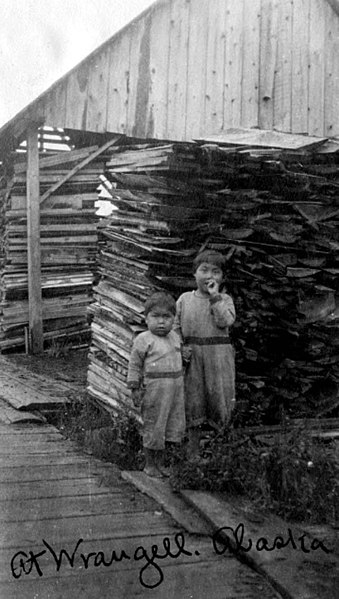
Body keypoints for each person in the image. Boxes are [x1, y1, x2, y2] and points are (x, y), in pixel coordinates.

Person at [174, 250, 236, 459]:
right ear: (194, 274)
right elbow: (175, 328)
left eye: (216, 272)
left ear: (222, 278)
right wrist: (180, 347)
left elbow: (225, 321)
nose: (209, 276)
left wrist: (215, 297)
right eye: (204, 270)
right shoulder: (184, 299)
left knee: (221, 398)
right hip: (193, 357)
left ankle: (222, 452)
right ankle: (193, 453)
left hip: (218, 356)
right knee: (194, 401)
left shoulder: (224, 299)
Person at [127, 292, 185, 478]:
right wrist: (134, 387)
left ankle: (162, 463)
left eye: (166, 317)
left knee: (171, 426)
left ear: (173, 319)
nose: (161, 322)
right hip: (154, 390)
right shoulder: (143, 339)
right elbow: (135, 364)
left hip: (175, 390)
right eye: (156, 316)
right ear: (146, 318)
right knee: (154, 426)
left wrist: (185, 355)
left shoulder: (175, 338)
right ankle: (150, 464)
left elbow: (177, 357)